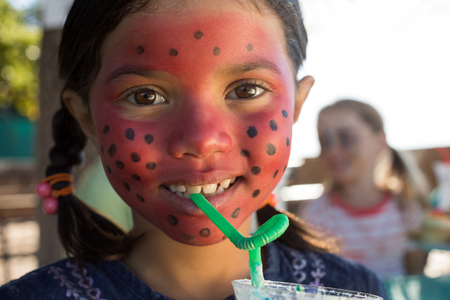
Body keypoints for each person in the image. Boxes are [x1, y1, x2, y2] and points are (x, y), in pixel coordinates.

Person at [0, 1, 387, 299]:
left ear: (297, 105)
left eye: (246, 90)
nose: (202, 140)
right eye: (145, 95)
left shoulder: (354, 290)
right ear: (86, 119)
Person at [299, 99, 428, 279]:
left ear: (380, 140)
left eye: (346, 138)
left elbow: (416, 276)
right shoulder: (317, 215)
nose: (333, 151)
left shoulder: (405, 207)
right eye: (325, 142)